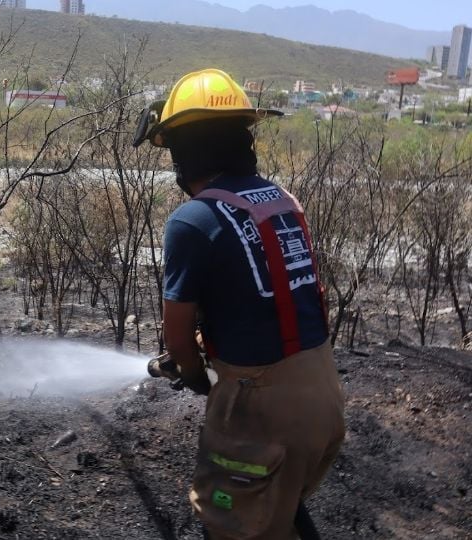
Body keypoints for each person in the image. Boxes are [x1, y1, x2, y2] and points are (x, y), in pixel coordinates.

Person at [133, 68, 346, 539]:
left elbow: (177, 338)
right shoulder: (281, 201)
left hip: (264, 418)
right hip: (324, 399)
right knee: (276, 512)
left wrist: (193, 375)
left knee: (230, 521)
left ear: (185, 152)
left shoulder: (192, 220)